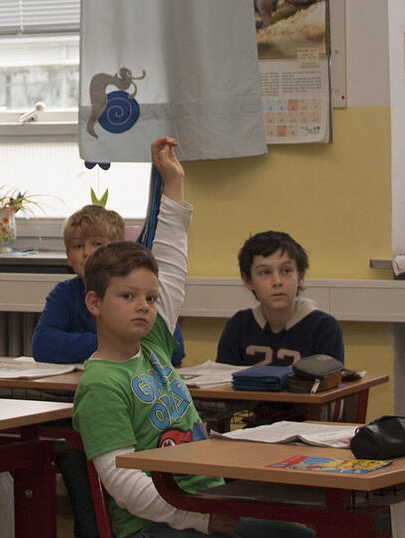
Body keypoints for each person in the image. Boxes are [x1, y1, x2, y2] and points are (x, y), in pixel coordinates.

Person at [73, 137, 313, 538]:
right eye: (128, 296)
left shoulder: (152, 346)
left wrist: (175, 183)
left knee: (302, 534)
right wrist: (201, 519)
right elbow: (125, 486)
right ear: (94, 302)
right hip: (156, 526)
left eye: (150, 298)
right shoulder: (100, 386)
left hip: (209, 503)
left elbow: (169, 262)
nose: (144, 306)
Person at [32, 205, 186, 366]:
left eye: (97, 244)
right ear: (68, 257)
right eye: (78, 246)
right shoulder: (64, 292)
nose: (87, 252)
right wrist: (117, 341)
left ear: (118, 251)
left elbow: (174, 350)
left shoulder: (141, 290)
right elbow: (43, 345)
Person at [216, 231, 344, 367]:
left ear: (300, 276)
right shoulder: (238, 326)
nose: (277, 282)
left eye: (286, 271)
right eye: (265, 272)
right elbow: (222, 384)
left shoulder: (324, 328)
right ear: (247, 280)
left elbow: (330, 383)